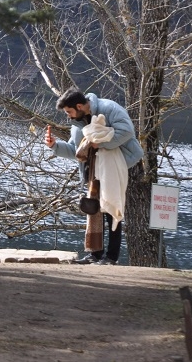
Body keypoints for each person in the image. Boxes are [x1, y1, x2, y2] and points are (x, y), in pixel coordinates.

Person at [44, 89, 144, 265]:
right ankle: (95, 255)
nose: (68, 116)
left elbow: (127, 131)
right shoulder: (77, 123)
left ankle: (111, 257)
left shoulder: (109, 108)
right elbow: (75, 150)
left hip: (116, 166)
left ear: (80, 106)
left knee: (112, 208)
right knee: (94, 210)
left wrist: (101, 143)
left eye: (69, 111)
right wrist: (54, 146)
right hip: (93, 170)